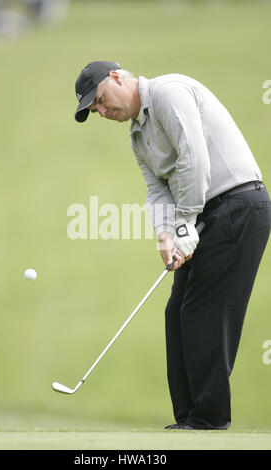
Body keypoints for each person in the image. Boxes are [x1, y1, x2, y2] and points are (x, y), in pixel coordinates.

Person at [74, 61, 271, 430]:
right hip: (204, 216)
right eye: (95, 110)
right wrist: (166, 235)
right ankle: (187, 421)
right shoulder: (137, 135)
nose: (102, 111)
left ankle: (209, 420)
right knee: (176, 312)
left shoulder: (168, 92)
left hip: (239, 206)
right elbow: (157, 189)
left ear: (117, 77)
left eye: (100, 100)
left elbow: (193, 156)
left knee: (202, 312)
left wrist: (185, 223)